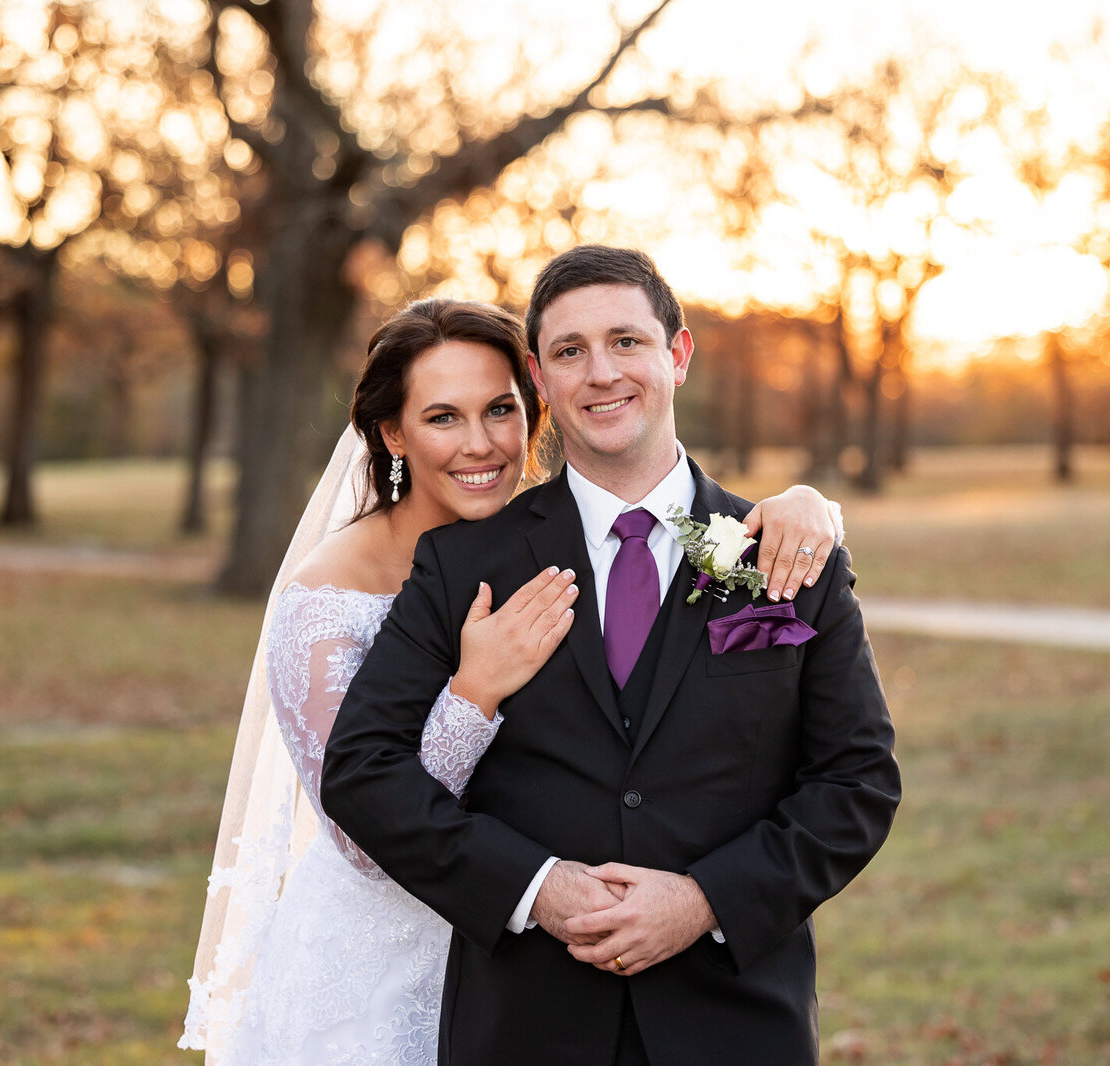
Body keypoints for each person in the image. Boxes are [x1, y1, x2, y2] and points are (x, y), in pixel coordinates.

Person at [180, 296, 845, 1064]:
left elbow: (674, 544)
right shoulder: (330, 595)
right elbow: (362, 832)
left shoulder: (550, 541)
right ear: (394, 433)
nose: (481, 445)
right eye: (442, 418)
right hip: (384, 964)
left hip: (534, 982)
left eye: (499, 409)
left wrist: (805, 507)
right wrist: (475, 692)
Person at [322, 248, 900, 1065]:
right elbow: (362, 771)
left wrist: (705, 901)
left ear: (679, 354)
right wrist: (535, 889)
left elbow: (857, 781)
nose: (601, 373)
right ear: (539, 377)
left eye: (627, 341)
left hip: (736, 1023)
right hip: (523, 1026)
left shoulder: (783, 556)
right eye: (569, 352)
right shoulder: (461, 565)